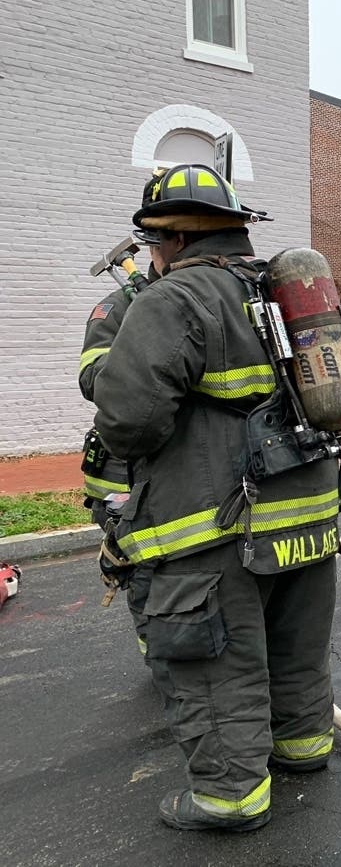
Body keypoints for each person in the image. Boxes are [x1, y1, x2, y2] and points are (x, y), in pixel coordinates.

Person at [92, 163, 341, 832]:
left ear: (170, 239)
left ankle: (229, 798)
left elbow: (128, 421)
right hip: (308, 511)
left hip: (221, 519)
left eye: (152, 245)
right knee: (296, 645)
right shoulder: (276, 291)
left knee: (216, 661)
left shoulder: (172, 300)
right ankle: (304, 747)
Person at [79, 171, 167, 658]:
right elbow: (94, 381)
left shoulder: (191, 300)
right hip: (121, 472)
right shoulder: (116, 308)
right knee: (144, 569)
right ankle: (158, 657)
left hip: (170, 470)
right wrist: (144, 332)